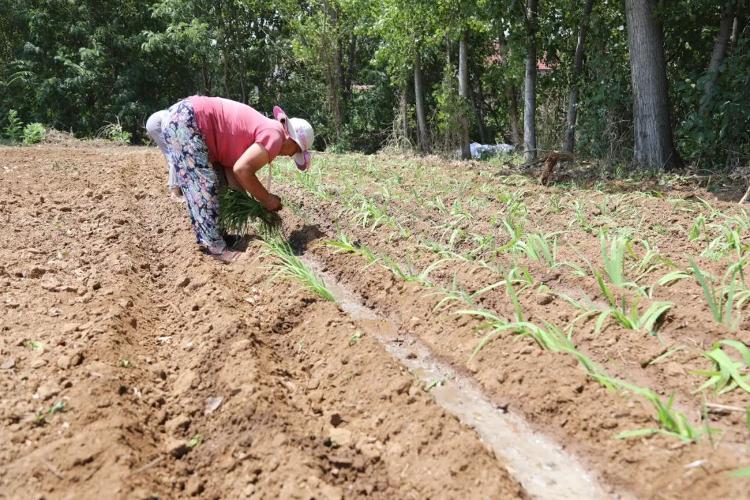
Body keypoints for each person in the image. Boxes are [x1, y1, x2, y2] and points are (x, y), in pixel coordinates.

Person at [161, 96, 314, 263]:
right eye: (295, 151)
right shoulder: (276, 135)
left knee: (218, 186)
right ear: (293, 140)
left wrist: (256, 209)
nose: (291, 155)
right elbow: (242, 170)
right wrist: (267, 200)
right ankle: (215, 247)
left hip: (184, 118)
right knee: (205, 186)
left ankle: (219, 235)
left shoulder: (264, 130)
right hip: (188, 120)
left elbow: (234, 178)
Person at [145, 110, 183, 201]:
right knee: (173, 157)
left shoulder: (180, 111)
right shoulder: (183, 115)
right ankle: (175, 193)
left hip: (153, 122)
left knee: (171, 155)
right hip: (157, 123)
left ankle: (176, 183)